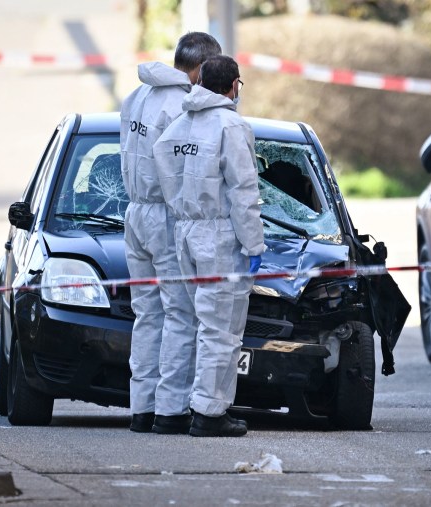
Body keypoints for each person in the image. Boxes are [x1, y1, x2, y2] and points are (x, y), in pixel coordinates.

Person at [153, 55, 265, 437]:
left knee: (182, 321)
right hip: (217, 237)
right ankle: (209, 412)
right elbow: (243, 193)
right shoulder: (231, 126)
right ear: (233, 85)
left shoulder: (178, 126)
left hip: (183, 231)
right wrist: (254, 245)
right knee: (221, 328)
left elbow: (164, 176)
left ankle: (168, 410)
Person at [120, 32, 222, 434]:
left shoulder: (137, 97)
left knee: (147, 314)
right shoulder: (182, 104)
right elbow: (185, 167)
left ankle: (142, 408)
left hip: (134, 212)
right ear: (200, 69)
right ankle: (171, 409)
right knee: (180, 313)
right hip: (165, 215)